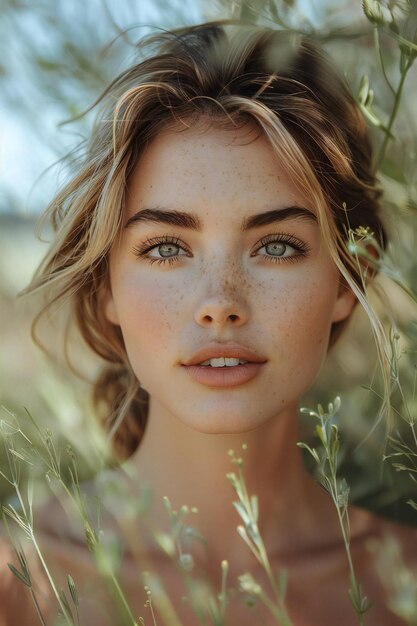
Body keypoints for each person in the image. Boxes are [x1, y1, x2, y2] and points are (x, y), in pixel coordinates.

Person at [0, 20, 416, 626]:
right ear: (106, 285)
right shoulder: (19, 584)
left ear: (349, 278)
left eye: (276, 246)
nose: (220, 303)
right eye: (166, 248)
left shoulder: (401, 586)